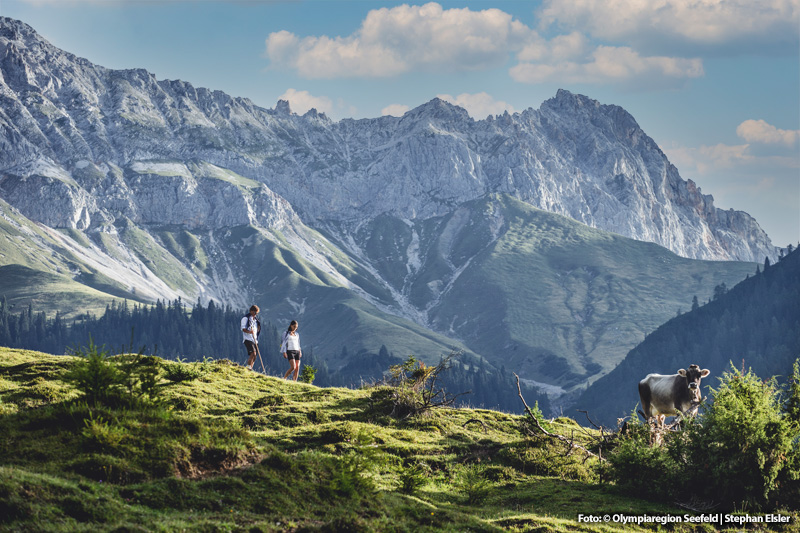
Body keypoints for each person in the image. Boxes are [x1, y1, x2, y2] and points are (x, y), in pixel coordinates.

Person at [241, 305, 260, 371]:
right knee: (253, 353)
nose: (255, 314)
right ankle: (248, 367)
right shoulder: (245, 318)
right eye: (255, 313)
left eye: (257, 313)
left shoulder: (256, 320)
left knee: (255, 356)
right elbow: (243, 329)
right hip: (247, 338)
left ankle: (250, 368)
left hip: (254, 339)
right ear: (251, 311)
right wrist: (249, 332)